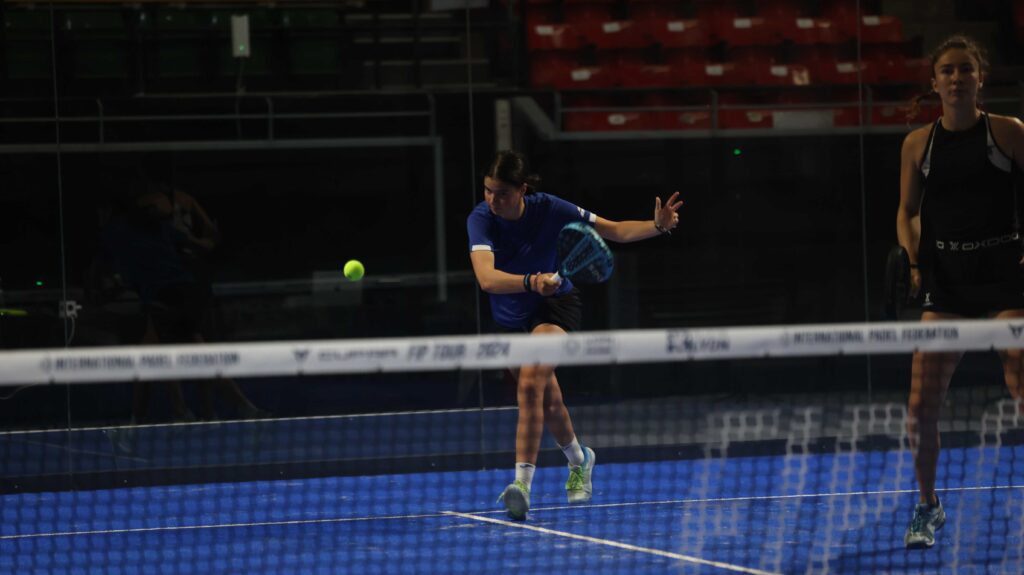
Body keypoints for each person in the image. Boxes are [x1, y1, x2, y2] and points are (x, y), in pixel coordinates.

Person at [467, 150, 682, 520]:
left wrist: (657, 226)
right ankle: (580, 459)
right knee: (548, 400)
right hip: (510, 314)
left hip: (553, 307)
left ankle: (521, 485)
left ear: (523, 190)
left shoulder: (551, 209)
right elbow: (487, 279)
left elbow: (614, 230)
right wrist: (531, 281)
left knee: (530, 384)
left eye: (502, 193)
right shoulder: (481, 219)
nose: (492, 199)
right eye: (488, 190)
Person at [896, 35, 1024, 549]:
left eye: (965, 69)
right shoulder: (918, 144)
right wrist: (913, 259)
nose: (956, 78)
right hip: (948, 283)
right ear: (935, 81)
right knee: (920, 404)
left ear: (979, 78)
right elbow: (907, 212)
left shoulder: (1008, 132)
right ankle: (928, 505)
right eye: (947, 70)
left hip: (1005, 275)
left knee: (1021, 374)